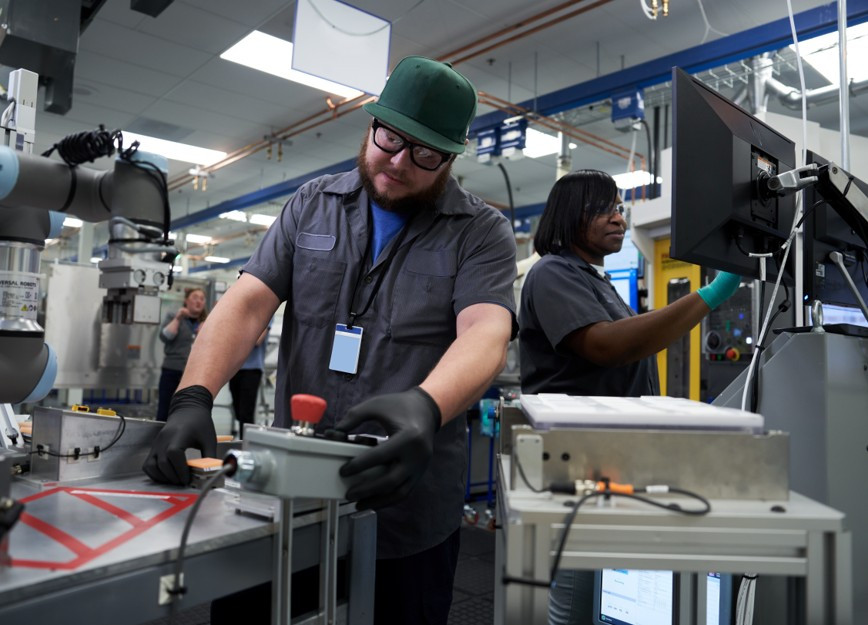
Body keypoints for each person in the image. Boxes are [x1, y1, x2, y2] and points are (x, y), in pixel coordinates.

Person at [142, 55, 517, 625]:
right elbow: (247, 304)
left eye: (424, 153)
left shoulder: (480, 232)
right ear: (370, 125)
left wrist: (425, 405)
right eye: (389, 138)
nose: (397, 161)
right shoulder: (311, 206)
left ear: (450, 157)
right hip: (291, 494)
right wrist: (194, 396)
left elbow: (486, 330)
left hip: (406, 501)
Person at [518, 169, 741, 625]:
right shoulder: (552, 272)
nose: (618, 219)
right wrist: (711, 295)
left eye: (619, 208)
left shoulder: (594, 280)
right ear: (570, 214)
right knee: (575, 604)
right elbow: (609, 345)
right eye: (605, 208)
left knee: (601, 598)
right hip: (574, 470)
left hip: (607, 467)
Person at [156, 287, 208, 422]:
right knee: (165, 410)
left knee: (188, 412)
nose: (199, 302)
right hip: (172, 371)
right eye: (195, 297)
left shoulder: (206, 323)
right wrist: (178, 318)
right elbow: (165, 337)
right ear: (186, 301)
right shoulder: (174, 316)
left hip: (195, 374)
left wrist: (204, 331)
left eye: (202, 299)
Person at [228, 321, 271, 438]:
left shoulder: (266, 315)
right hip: (235, 367)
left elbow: (257, 340)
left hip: (252, 369)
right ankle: (244, 440)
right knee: (238, 411)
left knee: (246, 414)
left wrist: (237, 334)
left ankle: (245, 445)